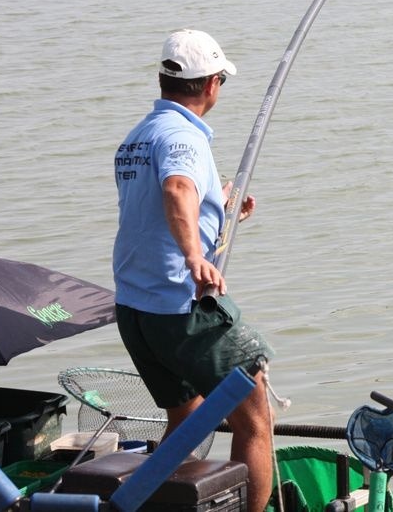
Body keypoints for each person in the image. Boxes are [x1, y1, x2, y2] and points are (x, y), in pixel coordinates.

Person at [112, 28, 274, 512]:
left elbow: (162, 204)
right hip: (180, 304)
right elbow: (177, 190)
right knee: (254, 418)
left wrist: (219, 206)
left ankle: (150, 504)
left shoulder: (139, 136)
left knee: (187, 418)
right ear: (210, 85)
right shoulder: (184, 135)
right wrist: (194, 256)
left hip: (136, 309)